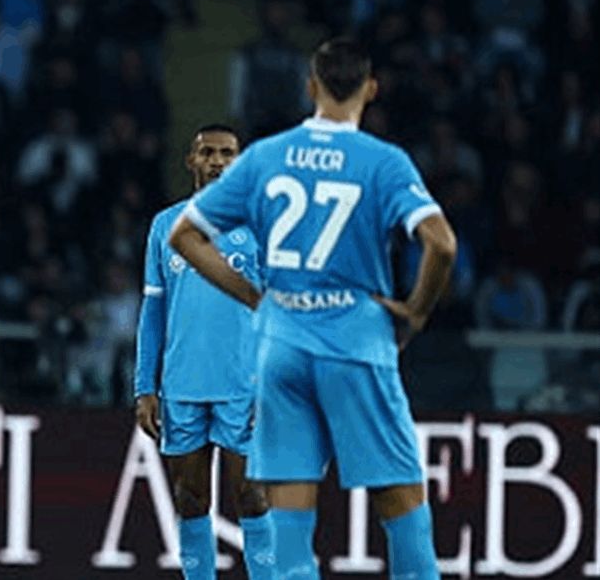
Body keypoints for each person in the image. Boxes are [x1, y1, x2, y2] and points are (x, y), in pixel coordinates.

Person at [169, 39, 457, 580]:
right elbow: (440, 244)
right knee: (401, 506)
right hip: (356, 344)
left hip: (283, 347)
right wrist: (416, 311)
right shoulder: (383, 161)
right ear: (370, 90)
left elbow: (185, 236)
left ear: (311, 87)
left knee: (290, 520)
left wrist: (256, 297)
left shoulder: (265, 156)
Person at [134, 124, 273, 580]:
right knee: (190, 499)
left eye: (227, 153)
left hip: (243, 384)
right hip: (182, 384)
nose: (217, 161)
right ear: (191, 161)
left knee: (252, 496)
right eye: (208, 153)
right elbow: (153, 312)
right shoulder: (165, 226)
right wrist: (144, 387)